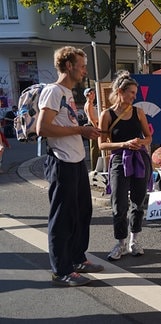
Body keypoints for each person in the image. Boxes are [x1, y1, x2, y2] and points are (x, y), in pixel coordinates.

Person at [36, 46, 103, 286]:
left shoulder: (68, 93)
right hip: (61, 162)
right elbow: (42, 128)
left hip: (75, 162)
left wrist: (85, 130)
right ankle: (61, 270)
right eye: (82, 65)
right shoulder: (53, 91)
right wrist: (80, 130)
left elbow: (66, 124)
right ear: (68, 66)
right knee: (62, 219)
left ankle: (77, 259)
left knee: (81, 214)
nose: (85, 70)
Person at [98, 70, 152, 261]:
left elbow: (149, 137)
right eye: (131, 93)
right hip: (119, 160)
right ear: (120, 91)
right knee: (119, 204)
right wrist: (123, 144)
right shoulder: (107, 114)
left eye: (135, 94)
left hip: (139, 159)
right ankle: (120, 243)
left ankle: (134, 240)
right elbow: (101, 144)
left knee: (138, 202)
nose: (134, 97)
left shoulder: (138, 112)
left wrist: (141, 142)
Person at [84, 88, 100, 170]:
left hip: (95, 125)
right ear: (87, 95)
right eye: (91, 93)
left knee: (95, 147)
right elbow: (91, 118)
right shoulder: (89, 104)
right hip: (94, 125)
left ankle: (96, 165)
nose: (93, 94)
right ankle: (94, 167)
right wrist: (96, 127)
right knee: (94, 147)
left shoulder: (91, 104)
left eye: (94, 93)